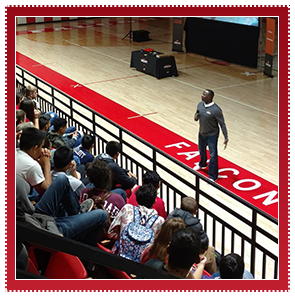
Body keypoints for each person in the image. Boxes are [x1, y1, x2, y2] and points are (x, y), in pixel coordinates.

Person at [16, 173, 108, 248]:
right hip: (49, 230)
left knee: (62, 179)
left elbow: (30, 209)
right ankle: (86, 255)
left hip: (35, 217)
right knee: (102, 215)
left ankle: (78, 213)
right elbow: (30, 209)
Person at [107, 184, 165, 254]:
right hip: (141, 264)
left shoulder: (127, 209)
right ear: (154, 202)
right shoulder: (160, 221)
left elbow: (110, 233)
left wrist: (125, 238)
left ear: (136, 199)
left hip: (119, 258)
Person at [166, 196, 216, 274]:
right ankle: (214, 277)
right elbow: (204, 243)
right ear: (195, 212)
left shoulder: (171, 216)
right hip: (185, 254)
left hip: (174, 251)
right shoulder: (196, 225)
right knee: (211, 250)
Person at [194, 89, 229, 181]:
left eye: (204, 94)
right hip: (202, 133)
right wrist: (196, 116)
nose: (202, 95)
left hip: (212, 135)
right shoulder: (200, 104)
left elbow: (222, 123)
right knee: (201, 149)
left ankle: (213, 176)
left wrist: (226, 137)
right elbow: (197, 112)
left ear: (209, 97)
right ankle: (202, 164)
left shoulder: (216, 110)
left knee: (213, 155)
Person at [16, 127, 52, 197]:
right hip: (21, 203)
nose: (42, 150)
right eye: (41, 147)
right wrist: (47, 164)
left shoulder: (15, 151)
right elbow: (48, 194)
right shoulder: (33, 165)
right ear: (35, 148)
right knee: (61, 179)